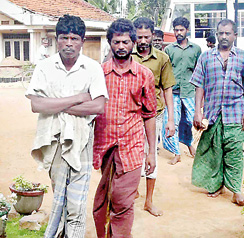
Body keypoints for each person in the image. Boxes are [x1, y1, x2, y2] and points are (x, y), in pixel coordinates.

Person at [25, 14, 108, 237]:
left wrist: (55, 105)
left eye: (74, 38)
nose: (68, 43)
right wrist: (78, 98)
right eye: (64, 38)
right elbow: (36, 104)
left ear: (82, 40)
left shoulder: (92, 68)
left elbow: (98, 106)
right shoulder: (45, 67)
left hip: (82, 139)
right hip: (52, 138)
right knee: (60, 195)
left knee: (77, 202)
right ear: (56, 39)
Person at [93, 18, 157, 237]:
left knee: (122, 198)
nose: (121, 46)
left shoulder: (144, 75)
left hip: (132, 145)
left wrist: (151, 153)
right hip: (104, 145)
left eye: (126, 42)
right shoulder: (98, 74)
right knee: (104, 197)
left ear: (133, 43)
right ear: (110, 43)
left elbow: (149, 115)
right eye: (116, 42)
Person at [190, 19, 244, 206]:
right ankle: (217, 185)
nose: (224, 36)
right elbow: (199, 86)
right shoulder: (206, 57)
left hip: (235, 113)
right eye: (221, 33)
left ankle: (236, 190)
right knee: (215, 151)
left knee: (234, 152)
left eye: (228, 33)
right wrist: (197, 112)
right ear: (216, 35)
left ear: (235, 35)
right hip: (212, 114)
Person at [132, 17, 176, 217]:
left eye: (146, 37)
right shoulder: (125, 54)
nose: (142, 40)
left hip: (154, 115)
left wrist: (170, 119)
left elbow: (167, 89)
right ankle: (132, 191)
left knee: (151, 155)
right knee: (130, 156)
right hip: (130, 116)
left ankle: (149, 201)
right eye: (139, 36)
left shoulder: (162, 58)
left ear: (153, 36)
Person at [163, 16, 201, 165]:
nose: (178, 32)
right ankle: (176, 153)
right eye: (176, 30)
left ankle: (193, 147)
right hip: (173, 93)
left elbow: (199, 73)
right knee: (172, 122)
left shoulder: (196, 49)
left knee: (194, 121)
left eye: (181, 30)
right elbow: (165, 73)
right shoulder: (169, 49)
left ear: (187, 30)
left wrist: (201, 97)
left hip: (190, 91)